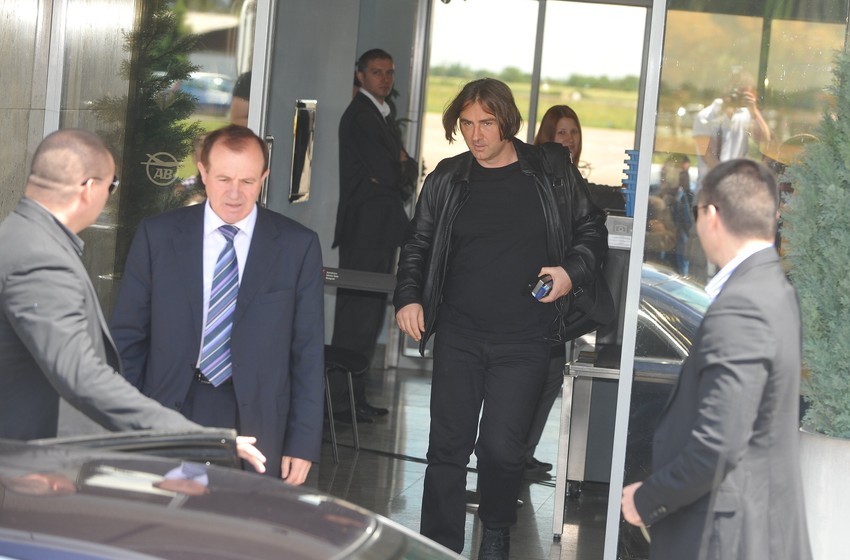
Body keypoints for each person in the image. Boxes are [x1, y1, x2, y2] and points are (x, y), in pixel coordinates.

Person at [394, 78, 607, 558]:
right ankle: (438, 547)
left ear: (506, 121)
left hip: (525, 339)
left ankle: (494, 531)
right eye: (467, 124)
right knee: (446, 447)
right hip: (459, 334)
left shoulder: (550, 170)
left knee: (501, 450)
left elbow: (591, 227)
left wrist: (570, 273)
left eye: (486, 123)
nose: (476, 135)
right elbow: (418, 243)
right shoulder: (448, 178)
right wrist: (408, 297)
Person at [0, 129, 265, 474]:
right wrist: (196, 437)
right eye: (113, 185)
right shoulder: (41, 258)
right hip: (26, 468)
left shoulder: (17, 235)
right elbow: (81, 375)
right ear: (89, 188)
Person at [110, 124, 324, 485]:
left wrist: (302, 443)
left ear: (264, 178)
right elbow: (128, 339)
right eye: (224, 179)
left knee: (243, 519)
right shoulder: (158, 236)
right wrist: (124, 426)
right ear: (203, 173)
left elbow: (308, 352)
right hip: (168, 408)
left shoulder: (296, 246)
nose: (235, 193)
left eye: (248, 181)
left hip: (257, 420)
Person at [620, 159, 811, 560]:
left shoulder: (744, 305)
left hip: (723, 537)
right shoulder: (773, 287)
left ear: (710, 215)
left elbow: (718, 444)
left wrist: (648, 498)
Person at [330, 48, 418, 422]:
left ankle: (354, 398)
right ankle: (339, 402)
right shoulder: (362, 116)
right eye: (377, 72)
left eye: (389, 72)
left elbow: (405, 170)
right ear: (361, 75)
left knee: (368, 318)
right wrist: (400, 169)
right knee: (356, 319)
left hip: (380, 228)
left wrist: (402, 169)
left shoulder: (383, 112)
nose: (385, 79)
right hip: (364, 230)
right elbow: (389, 170)